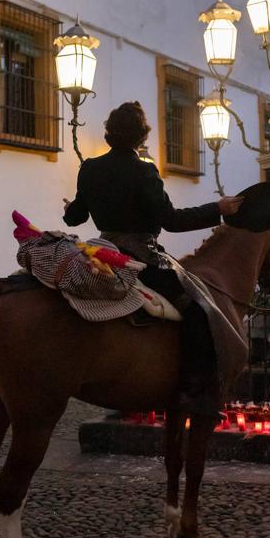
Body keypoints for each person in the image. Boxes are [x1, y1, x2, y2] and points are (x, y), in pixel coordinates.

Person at [62, 101, 243, 417]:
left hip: (102, 250)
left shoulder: (89, 168)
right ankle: (193, 389)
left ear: (109, 134)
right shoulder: (144, 170)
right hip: (139, 257)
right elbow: (172, 220)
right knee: (197, 307)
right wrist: (218, 209)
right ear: (140, 137)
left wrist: (70, 208)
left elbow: (75, 217)